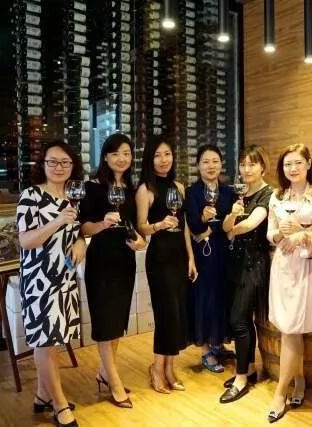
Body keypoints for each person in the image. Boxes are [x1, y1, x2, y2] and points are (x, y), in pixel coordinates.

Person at [16, 141, 86, 427]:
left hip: (65, 276)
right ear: (42, 164)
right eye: (53, 162)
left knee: (54, 339)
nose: (59, 167)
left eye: (65, 162)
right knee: (45, 342)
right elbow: (25, 240)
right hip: (39, 280)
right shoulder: (30, 196)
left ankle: (42, 395)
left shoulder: (74, 196)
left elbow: (78, 234)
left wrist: (81, 244)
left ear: (73, 166)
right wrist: (56, 221)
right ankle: (59, 404)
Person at [265, 143, 312, 423]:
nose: (292, 168)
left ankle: (280, 393)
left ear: (308, 164)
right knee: (290, 328)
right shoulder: (277, 196)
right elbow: (270, 233)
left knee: (292, 328)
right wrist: (279, 234)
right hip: (283, 266)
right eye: (287, 164)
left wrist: (304, 234)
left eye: (298, 163)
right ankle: (300, 380)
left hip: (308, 265)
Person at [79, 133, 146, 409]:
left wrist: (141, 241)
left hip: (124, 260)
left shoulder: (132, 190)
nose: (122, 158)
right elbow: (84, 227)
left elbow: (136, 228)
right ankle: (115, 383)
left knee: (117, 322)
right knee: (106, 322)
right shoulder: (92, 187)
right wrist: (103, 224)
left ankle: (105, 373)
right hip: (101, 261)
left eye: (127, 153)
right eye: (116, 153)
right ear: (105, 157)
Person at [135, 137, 197, 394]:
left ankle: (170, 368)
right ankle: (157, 369)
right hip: (159, 259)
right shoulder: (145, 189)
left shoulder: (179, 187)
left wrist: (191, 258)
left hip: (179, 257)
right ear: (150, 159)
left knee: (177, 315)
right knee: (165, 315)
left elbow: (184, 227)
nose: (163, 160)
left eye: (167, 154)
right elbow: (141, 227)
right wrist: (159, 225)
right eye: (158, 155)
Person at [219, 145, 272, 404]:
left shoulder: (268, 194)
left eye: (252, 164)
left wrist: (233, 225)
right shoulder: (239, 194)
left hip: (254, 263)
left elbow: (250, 224)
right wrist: (232, 216)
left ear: (263, 166)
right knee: (242, 321)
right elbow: (225, 227)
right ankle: (249, 368)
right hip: (236, 263)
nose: (246, 169)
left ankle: (240, 379)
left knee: (238, 319)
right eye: (243, 164)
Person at [185, 144, 236, 373]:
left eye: (215, 161)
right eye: (205, 161)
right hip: (203, 255)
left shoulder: (228, 192)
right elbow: (193, 227)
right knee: (204, 299)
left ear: (221, 164)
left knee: (221, 298)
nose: (210, 166)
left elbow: (230, 224)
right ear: (198, 166)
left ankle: (218, 343)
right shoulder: (192, 192)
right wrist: (204, 219)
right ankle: (206, 350)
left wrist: (214, 228)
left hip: (223, 252)